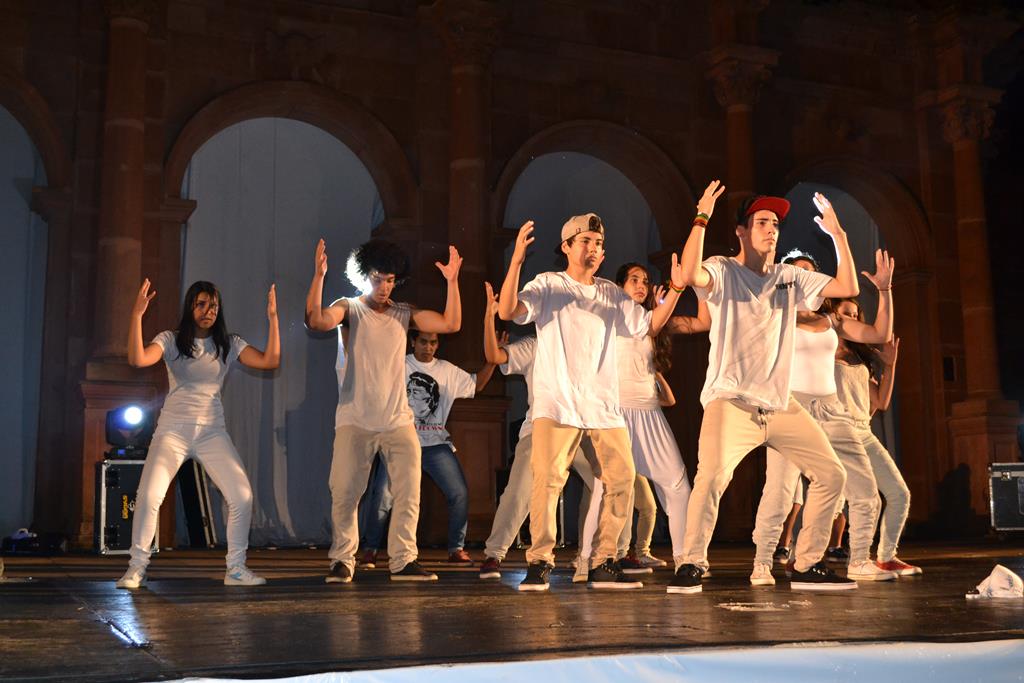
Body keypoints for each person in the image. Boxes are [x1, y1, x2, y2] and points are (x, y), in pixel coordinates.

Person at [670, 181, 860, 594]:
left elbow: (848, 288)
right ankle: (692, 562)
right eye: (761, 222)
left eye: (775, 223)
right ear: (741, 231)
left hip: (778, 404)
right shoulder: (724, 269)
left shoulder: (789, 277)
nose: (771, 229)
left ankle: (807, 564)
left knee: (832, 474)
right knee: (711, 478)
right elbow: (688, 274)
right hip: (731, 401)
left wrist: (838, 235)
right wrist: (701, 217)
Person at [497, 214, 684, 591]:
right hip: (557, 403)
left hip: (602, 407)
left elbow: (648, 325)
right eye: (586, 241)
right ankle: (540, 560)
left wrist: (677, 288)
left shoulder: (611, 293)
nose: (594, 249)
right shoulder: (548, 284)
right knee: (548, 481)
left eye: (599, 244)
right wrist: (516, 262)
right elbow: (507, 312)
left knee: (622, 478)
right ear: (567, 247)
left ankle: (603, 561)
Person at [305, 238, 462, 583]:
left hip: (397, 421)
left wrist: (452, 282)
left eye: (390, 280)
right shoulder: (349, 308)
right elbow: (316, 321)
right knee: (345, 492)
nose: (384, 287)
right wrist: (318, 277)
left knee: (409, 491)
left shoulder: (404, 312)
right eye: (378, 279)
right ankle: (342, 560)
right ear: (363, 276)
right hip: (355, 419)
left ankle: (404, 560)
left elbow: (451, 324)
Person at [116, 279, 279, 589]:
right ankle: (136, 568)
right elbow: (138, 359)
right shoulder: (170, 340)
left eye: (213, 306)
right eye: (201, 304)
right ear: (190, 307)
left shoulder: (228, 344)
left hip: (211, 432)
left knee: (241, 496)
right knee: (149, 496)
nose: (208, 311)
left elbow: (270, 361)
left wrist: (273, 318)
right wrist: (137, 315)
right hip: (172, 432)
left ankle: (236, 569)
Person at [749, 249, 898, 586]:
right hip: (790, 408)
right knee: (780, 493)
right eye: (796, 272)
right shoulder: (775, 316)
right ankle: (762, 562)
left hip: (831, 409)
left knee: (864, 490)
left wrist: (884, 290)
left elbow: (880, 334)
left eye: (809, 273)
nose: (803, 278)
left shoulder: (832, 320)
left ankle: (857, 560)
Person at [577, 263, 711, 578]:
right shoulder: (608, 317)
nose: (641, 285)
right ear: (618, 287)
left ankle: (685, 559)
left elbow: (703, 322)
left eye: (645, 280)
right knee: (605, 489)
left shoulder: (655, 321)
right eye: (633, 280)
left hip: (650, 413)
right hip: (616, 414)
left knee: (678, 486)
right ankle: (586, 561)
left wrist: (698, 286)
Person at [477, 282, 600, 580]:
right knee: (520, 490)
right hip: (540, 429)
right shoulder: (534, 345)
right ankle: (495, 552)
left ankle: (588, 554)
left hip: (581, 430)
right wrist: (489, 318)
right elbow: (495, 357)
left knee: (604, 482)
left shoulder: (585, 344)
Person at [360, 328, 496, 565]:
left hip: (435, 445)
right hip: (400, 443)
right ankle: (370, 549)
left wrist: (493, 361)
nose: (428, 347)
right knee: (383, 497)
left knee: (459, 493)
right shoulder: (398, 364)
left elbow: (477, 385)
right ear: (413, 342)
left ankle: (456, 548)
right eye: (423, 342)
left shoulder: (446, 370)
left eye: (433, 343)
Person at [833, 299, 920, 576]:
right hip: (838, 432)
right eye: (846, 313)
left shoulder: (860, 357)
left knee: (899, 494)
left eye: (856, 314)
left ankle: (886, 557)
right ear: (834, 316)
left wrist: (890, 366)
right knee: (862, 499)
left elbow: (880, 402)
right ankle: (854, 559)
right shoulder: (821, 350)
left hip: (864, 432)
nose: (852, 318)